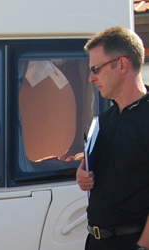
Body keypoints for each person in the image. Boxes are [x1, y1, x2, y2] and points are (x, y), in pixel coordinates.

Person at [76, 26, 149, 250]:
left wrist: (143, 247)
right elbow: (101, 168)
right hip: (96, 241)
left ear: (122, 65)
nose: (90, 78)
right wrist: (82, 174)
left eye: (96, 69)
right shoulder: (104, 120)